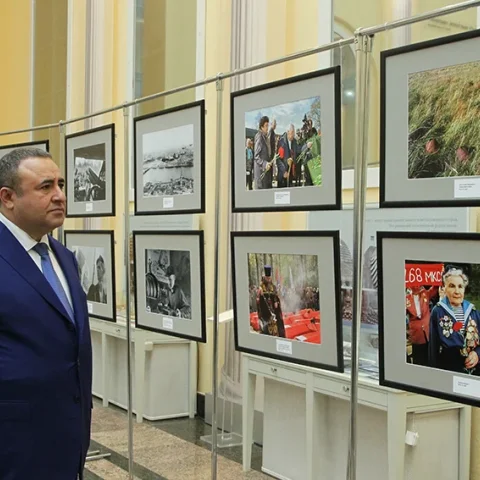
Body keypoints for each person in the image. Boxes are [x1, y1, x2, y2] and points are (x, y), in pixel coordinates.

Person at [0, 148, 92, 480]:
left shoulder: (64, 257)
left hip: (68, 438)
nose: (60, 196)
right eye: (45, 187)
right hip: (13, 444)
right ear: (8, 197)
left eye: (61, 184)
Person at [429, 268, 480, 375]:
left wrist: (477, 354)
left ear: (464, 289)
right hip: (449, 368)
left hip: (475, 369)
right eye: (452, 286)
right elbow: (433, 348)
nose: (457, 291)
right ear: (444, 288)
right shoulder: (438, 311)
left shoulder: (473, 311)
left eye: (460, 286)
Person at [405, 284, 438, 366]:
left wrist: (438, 274)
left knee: (430, 357)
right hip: (416, 335)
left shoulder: (425, 294)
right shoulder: (406, 300)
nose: (416, 286)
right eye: (414, 285)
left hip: (428, 332)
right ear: (409, 286)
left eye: (418, 284)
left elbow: (434, 289)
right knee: (418, 359)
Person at [256, 265, 285, 338]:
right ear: (264, 277)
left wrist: (276, 301)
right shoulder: (261, 287)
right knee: (267, 330)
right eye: (267, 278)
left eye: (269, 278)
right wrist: (260, 296)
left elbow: (275, 295)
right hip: (265, 313)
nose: (269, 279)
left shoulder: (273, 286)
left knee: (276, 329)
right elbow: (258, 301)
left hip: (274, 312)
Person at [253, 116, 272, 190]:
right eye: (266, 126)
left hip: (264, 174)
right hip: (260, 176)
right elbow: (256, 156)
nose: (268, 127)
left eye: (268, 125)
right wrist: (265, 163)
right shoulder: (259, 137)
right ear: (262, 127)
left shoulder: (264, 136)